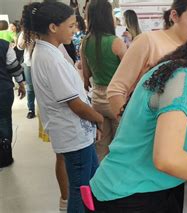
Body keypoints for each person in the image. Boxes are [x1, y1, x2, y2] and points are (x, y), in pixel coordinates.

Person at [88, 21, 187, 211]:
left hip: (147, 189)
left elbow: (178, 154)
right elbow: (167, 158)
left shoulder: (176, 73)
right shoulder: (181, 79)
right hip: (128, 196)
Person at [21, 1, 104, 212]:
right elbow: (74, 103)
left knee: (89, 182)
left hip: (77, 133)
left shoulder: (48, 52)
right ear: (53, 27)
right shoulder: (50, 58)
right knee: (80, 188)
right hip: (72, 135)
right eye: (70, 26)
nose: (74, 30)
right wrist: (98, 118)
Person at [107, 0, 187, 118]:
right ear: (175, 16)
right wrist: (131, 126)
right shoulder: (148, 41)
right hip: (146, 127)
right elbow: (116, 90)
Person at [81, 0, 127, 162]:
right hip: (116, 99)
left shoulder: (85, 42)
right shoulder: (116, 42)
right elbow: (129, 72)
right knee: (120, 143)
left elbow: (86, 77)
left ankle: (99, 181)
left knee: (101, 144)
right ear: (108, 17)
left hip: (97, 98)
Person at [0, 38, 25, 168]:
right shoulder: (4, 45)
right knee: (4, 121)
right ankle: (4, 157)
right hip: (3, 90)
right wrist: (21, 84)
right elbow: (14, 67)